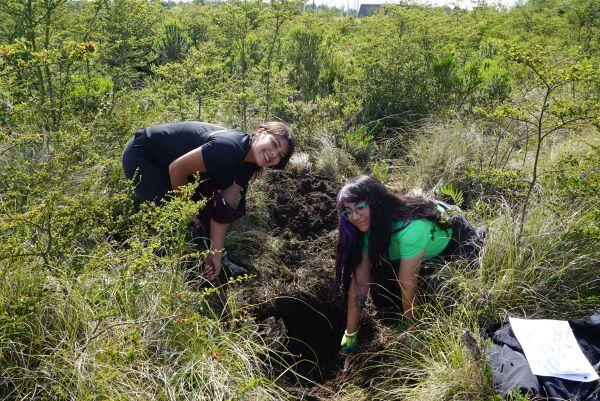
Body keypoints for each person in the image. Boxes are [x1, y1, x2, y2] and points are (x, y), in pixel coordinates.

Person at [122, 121, 294, 281]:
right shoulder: (229, 147)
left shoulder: (249, 165)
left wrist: (216, 253)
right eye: (274, 144)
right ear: (260, 132)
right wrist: (186, 209)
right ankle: (163, 270)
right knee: (176, 220)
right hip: (145, 156)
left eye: (280, 155)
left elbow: (222, 209)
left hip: (175, 168)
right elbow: (177, 169)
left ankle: (216, 265)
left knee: (203, 216)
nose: (273, 154)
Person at [334, 176, 484, 356]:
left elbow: (407, 284)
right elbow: (360, 281)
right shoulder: (365, 227)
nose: (354, 217)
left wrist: (413, 330)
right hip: (411, 244)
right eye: (347, 212)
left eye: (360, 207)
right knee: (382, 295)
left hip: (455, 240)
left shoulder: (410, 227)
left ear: (375, 203)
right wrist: (350, 333)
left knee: (442, 294)